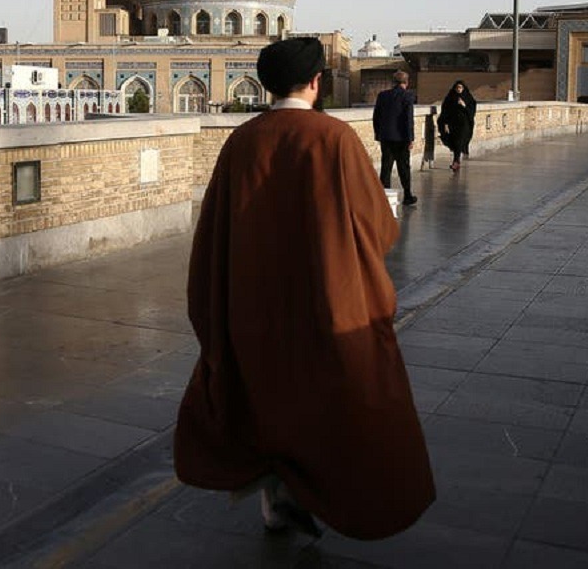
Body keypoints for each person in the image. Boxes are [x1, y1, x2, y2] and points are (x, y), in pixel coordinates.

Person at [174, 37, 436, 541]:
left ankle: (276, 499)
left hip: (254, 301)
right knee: (322, 399)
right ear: (317, 81)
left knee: (266, 395)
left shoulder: (243, 140)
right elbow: (377, 227)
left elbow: (214, 231)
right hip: (324, 299)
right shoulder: (333, 138)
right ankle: (314, 492)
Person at [373, 70, 418, 205]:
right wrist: (410, 138)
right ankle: (407, 195)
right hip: (402, 138)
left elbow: (376, 116)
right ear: (406, 82)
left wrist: (378, 134)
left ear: (393, 82)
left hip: (386, 136)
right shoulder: (407, 96)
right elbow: (408, 119)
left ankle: (384, 196)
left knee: (386, 167)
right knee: (403, 167)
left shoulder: (383, 96)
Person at [437, 80, 477, 172]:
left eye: (460, 87)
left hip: (464, 125)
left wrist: (464, 105)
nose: (459, 89)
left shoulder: (468, 98)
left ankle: (456, 161)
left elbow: (471, 112)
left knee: (459, 141)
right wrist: (445, 123)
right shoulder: (450, 98)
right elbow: (445, 111)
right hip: (453, 124)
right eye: (457, 87)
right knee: (455, 142)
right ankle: (457, 161)